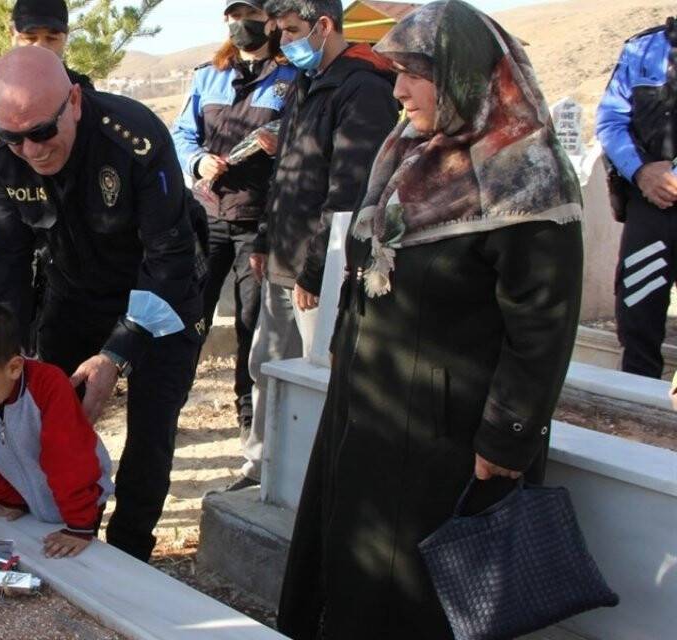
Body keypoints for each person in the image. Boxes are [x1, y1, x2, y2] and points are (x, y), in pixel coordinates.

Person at [276, 2, 585, 637]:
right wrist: (343, 345)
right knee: (355, 575)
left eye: (417, 73)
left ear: (466, 75)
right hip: (372, 409)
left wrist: (508, 437)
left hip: (449, 435)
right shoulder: (409, 152)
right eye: (397, 72)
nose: (398, 89)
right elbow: (367, 266)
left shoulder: (527, 176)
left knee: (417, 597)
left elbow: (543, 322)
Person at [0, 46, 207, 562]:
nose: (31, 150)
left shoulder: (135, 138)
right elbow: (9, 254)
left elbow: (168, 258)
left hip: (162, 294)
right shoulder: (2, 155)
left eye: (41, 132)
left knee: (149, 432)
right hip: (76, 290)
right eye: (14, 137)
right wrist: (7, 344)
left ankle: (129, 557)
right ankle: (66, 526)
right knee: (52, 418)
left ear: (75, 102)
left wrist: (117, 354)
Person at [241, 0, 399, 486]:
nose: (284, 43)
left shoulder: (363, 90)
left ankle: (306, 481)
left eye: (291, 31)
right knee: (265, 368)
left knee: (315, 379)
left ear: (324, 26)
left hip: (317, 271)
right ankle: (260, 468)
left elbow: (348, 192)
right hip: (282, 261)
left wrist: (315, 272)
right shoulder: (306, 85)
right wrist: (266, 237)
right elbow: (286, 171)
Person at [170, 0, 296, 492]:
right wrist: (198, 162)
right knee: (188, 318)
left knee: (251, 325)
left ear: (270, 20)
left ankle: (250, 427)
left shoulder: (291, 77)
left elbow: (304, 137)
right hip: (207, 218)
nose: (237, 24)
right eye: (231, 15)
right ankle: (169, 408)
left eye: (248, 14)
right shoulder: (209, 75)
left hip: (259, 223)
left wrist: (280, 141)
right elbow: (182, 134)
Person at [0, 300, 114, 559]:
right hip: (28, 499)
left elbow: (69, 458)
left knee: (81, 562)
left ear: (14, 368)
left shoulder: (49, 386)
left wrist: (79, 526)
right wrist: (10, 499)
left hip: (81, 501)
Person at [0, 0, 92, 298]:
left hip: (66, 238)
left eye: (52, 38)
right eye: (30, 38)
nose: (40, 47)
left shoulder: (79, 90)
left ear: (66, 38)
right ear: (11, 34)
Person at [597, 17, 677, 379]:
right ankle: (637, 405)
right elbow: (611, 120)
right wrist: (642, 173)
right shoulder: (642, 48)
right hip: (652, 204)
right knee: (638, 313)